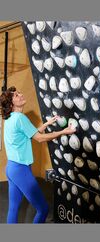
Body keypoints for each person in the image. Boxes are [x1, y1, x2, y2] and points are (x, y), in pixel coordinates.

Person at [0, 86, 76, 223]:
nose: (21, 94)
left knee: (13, 208)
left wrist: (46, 124)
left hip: (11, 168)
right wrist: (63, 132)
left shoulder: (11, 118)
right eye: (16, 95)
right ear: (11, 104)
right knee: (43, 209)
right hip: (20, 169)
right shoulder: (20, 118)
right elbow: (39, 138)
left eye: (19, 92)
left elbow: (29, 134)